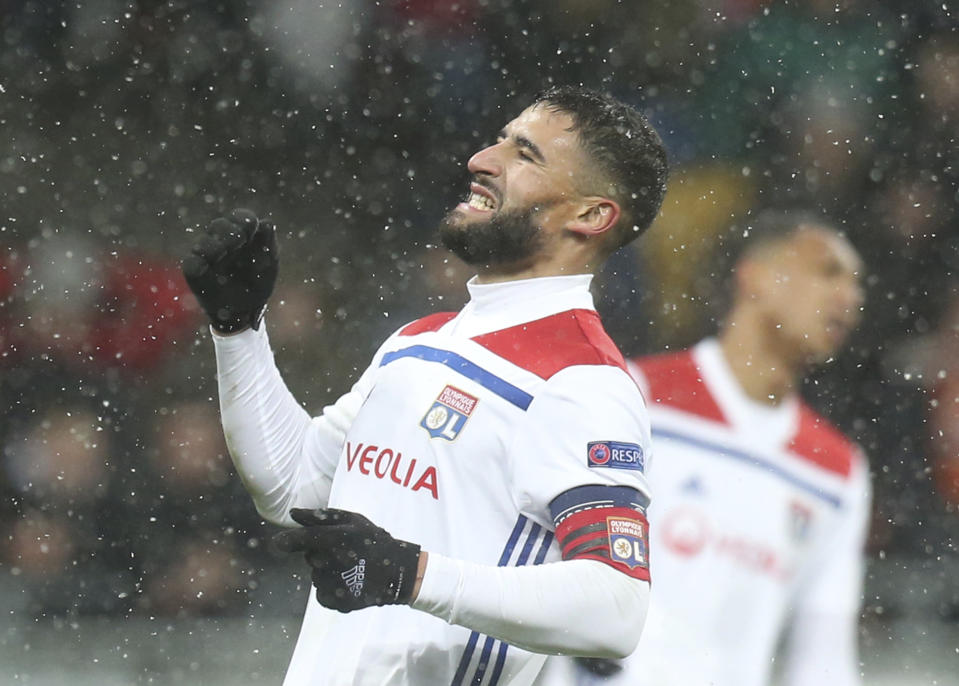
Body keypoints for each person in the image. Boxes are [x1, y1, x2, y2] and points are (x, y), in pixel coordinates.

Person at [181, 86, 669, 686]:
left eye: (525, 154)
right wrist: (238, 333)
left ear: (591, 216)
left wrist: (413, 575)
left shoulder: (582, 381)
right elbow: (294, 489)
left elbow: (616, 607)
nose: (483, 160)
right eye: (500, 138)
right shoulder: (421, 339)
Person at [569, 210, 871, 686]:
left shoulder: (837, 471)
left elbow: (824, 656)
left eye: (858, 285)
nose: (850, 298)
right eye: (828, 272)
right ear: (756, 277)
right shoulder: (640, 397)